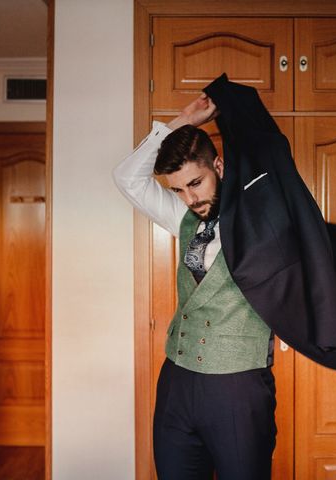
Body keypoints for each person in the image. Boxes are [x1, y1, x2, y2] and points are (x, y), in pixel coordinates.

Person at [113, 93, 276, 480]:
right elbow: (127, 178)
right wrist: (183, 121)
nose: (190, 198)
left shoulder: (262, 219)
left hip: (238, 385)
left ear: (218, 166)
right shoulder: (183, 216)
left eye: (196, 183)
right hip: (177, 381)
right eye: (179, 190)